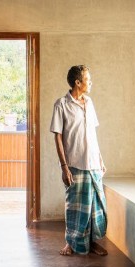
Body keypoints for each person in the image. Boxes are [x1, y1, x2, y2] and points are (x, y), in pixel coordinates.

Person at [49, 64, 108, 257]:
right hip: (74, 163)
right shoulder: (61, 104)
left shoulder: (89, 103)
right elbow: (57, 136)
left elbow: (93, 133)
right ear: (78, 82)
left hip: (93, 164)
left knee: (94, 206)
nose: (91, 83)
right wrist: (64, 166)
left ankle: (92, 243)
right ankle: (71, 242)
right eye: (88, 80)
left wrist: (100, 159)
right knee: (74, 206)